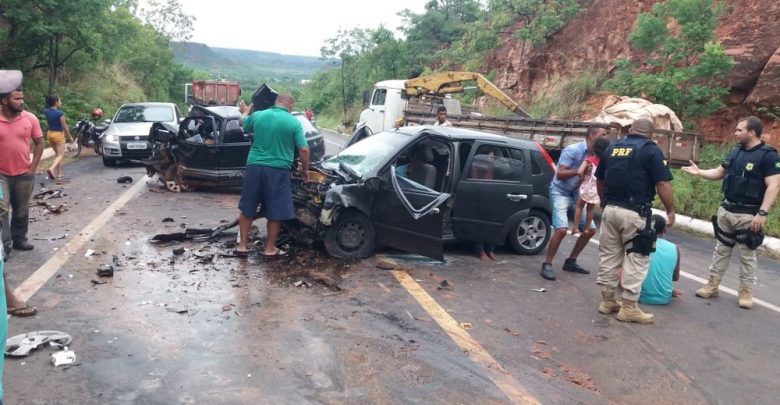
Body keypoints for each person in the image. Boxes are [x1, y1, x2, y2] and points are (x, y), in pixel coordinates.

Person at [681, 116, 780, 309]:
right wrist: (699, 172)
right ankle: (712, 284)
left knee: (747, 255)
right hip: (727, 210)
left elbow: (774, 186)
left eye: (739, 130)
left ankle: (745, 291)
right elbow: (719, 173)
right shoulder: (735, 152)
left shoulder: (768, 156)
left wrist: (762, 213)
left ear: (751, 132)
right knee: (721, 250)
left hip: (749, 214)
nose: (735, 133)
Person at [595, 118, 675, 324]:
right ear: (651, 134)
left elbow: (600, 178)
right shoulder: (651, 150)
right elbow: (662, 183)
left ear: (630, 130)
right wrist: (671, 210)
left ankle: (607, 301)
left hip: (611, 209)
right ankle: (629, 307)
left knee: (610, 255)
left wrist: (605, 202)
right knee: (637, 257)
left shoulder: (612, 147)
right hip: (635, 212)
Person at [236, 94, 309, 258]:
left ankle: (242, 246)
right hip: (278, 170)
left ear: (276, 102)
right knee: (275, 211)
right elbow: (304, 149)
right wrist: (305, 171)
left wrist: (245, 112)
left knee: (247, 207)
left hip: (254, 167)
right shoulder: (293, 122)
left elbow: (242, 122)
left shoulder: (259, 115)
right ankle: (270, 249)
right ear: (290, 105)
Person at [540, 126, 607, 280]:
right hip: (561, 192)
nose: (605, 138)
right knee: (562, 229)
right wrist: (580, 171)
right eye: (602, 135)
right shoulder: (573, 150)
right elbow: (560, 174)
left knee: (590, 230)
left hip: (579, 195)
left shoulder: (598, 155)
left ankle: (571, 261)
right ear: (592, 136)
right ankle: (547, 264)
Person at [0, 69, 41, 317]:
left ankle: (19, 238)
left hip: (23, 172)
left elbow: (39, 143)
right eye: (16, 98)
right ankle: (5, 246)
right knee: (2, 210)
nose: (21, 102)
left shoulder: (30, 119)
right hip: (1, 174)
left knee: (22, 209)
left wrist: (33, 168)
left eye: (22, 98)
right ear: (4, 100)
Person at [638, 215, 681, 305]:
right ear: (664, 230)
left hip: (641, 296)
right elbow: (675, 277)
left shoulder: (640, 242)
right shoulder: (674, 248)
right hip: (665, 297)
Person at [572, 137, 610, 236]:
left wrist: (582, 179)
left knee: (579, 206)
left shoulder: (589, 160)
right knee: (590, 209)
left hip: (586, 186)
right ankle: (587, 229)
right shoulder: (605, 163)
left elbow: (580, 171)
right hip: (596, 188)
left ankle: (575, 227)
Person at [470, 147, 498, 260]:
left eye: (493, 158)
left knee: (492, 224)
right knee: (481, 224)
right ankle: (480, 250)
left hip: (491, 196)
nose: (492, 160)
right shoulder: (476, 166)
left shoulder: (494, 167)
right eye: (490, 157)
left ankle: (490, 249)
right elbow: (480, 181)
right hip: (478, 195)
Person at [43, 94, 73, 182]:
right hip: (58, 134)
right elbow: (64, 126)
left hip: (50, 134)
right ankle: (51, 168)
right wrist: (69, 136)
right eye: (59, 101)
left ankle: (59, 174)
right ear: (56, 103)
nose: (60, 102)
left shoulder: (46, 111)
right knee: (61, 155)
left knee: (57, 155)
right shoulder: (60, 113)